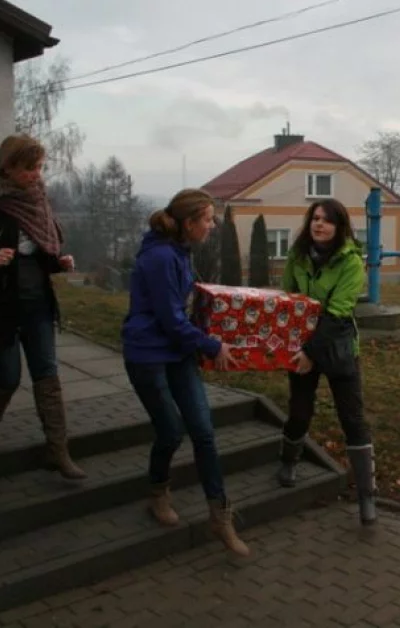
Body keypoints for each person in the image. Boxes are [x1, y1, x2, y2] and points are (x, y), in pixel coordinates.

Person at [0, 134, 85, 480]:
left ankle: (58, 450)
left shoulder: (38, 201)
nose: (36, 175)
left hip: (37, 304)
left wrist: (58, 262)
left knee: (47, 375)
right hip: (0, 306)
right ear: (8, 168)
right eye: (28, 168)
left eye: (39, 167)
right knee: (8, 375)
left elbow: (41, 251)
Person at [121, 188, 249, 556]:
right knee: (171, 431)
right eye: (208, 219)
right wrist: (212, 346)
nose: (211, 226)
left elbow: (187, 308)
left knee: (204, 432)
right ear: (189, 222)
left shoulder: (179, 252)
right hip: (147, 355)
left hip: (177, 353)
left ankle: (219, 516)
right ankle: (158, 492)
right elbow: (171, 319)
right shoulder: (161, 256)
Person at [276, 198, 378, 526]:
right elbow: (289, 299)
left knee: (352, 418)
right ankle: (288, 461)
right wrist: (296, 347)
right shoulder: (298, 255)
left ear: (339, 226)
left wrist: (309, 353)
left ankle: (366, 495)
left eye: (327, 220)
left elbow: (336, 314)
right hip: (303, 345)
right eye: (315, 218)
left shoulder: (350, 262)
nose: (319, 224)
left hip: (338, 347)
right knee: (300, 411)